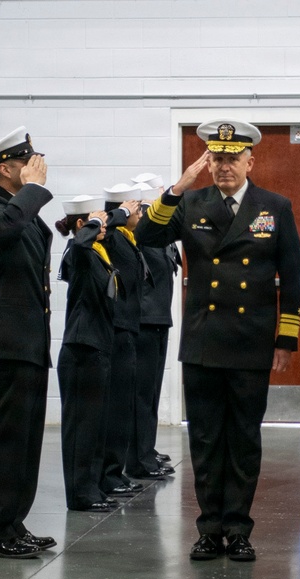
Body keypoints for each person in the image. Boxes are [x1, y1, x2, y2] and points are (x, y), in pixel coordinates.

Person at [134, 120, 300, 562]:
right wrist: (177, 186)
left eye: (232, 158)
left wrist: (286, 339)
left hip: (251, 342)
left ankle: (239, 528)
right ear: (207, 162)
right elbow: (145, 236)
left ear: (251, 161)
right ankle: (209, 528)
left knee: (244, 439)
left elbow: (293, 277)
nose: (225, 166)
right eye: (217, 158)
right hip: (205, 341)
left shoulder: (275, 206)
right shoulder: (191, 202)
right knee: (206, 440)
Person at [0, 127, 56, 558]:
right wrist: (35, 188)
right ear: (6, 167)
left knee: (25, 441)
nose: (36, 166)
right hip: (5, 344)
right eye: (27, 161)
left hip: (28, 344)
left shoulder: (17, 210)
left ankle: (13, 522)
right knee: (5, 442)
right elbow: (5, 229)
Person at [55, 196, 121, 512]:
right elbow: (78, 244)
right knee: (81, 427)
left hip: (97, 346)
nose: (104, 227)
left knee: (95, 425)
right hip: (82, 349)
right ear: (82, 225)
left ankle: (91, 487)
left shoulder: (98, 252)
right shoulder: (79, 252)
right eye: (98, 222)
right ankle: (80, 493)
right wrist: (93, 223)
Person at [125, 176, 179, 481]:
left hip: (158, 319)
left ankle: (146, 448)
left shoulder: (160, 233)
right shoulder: (143, 233)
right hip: (144, 321)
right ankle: (137, 458)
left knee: (151, 393)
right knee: (141, 395)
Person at [97, 184, 147, 498]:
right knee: (115, 407)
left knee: (123, 405)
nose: (140, 215)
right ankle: (109, 474)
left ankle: (114, 471)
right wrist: (120, 212)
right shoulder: (112, 236)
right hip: (116, 328)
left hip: (128, 327)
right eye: (136, 210)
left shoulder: (128, 238)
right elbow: (102, 221)